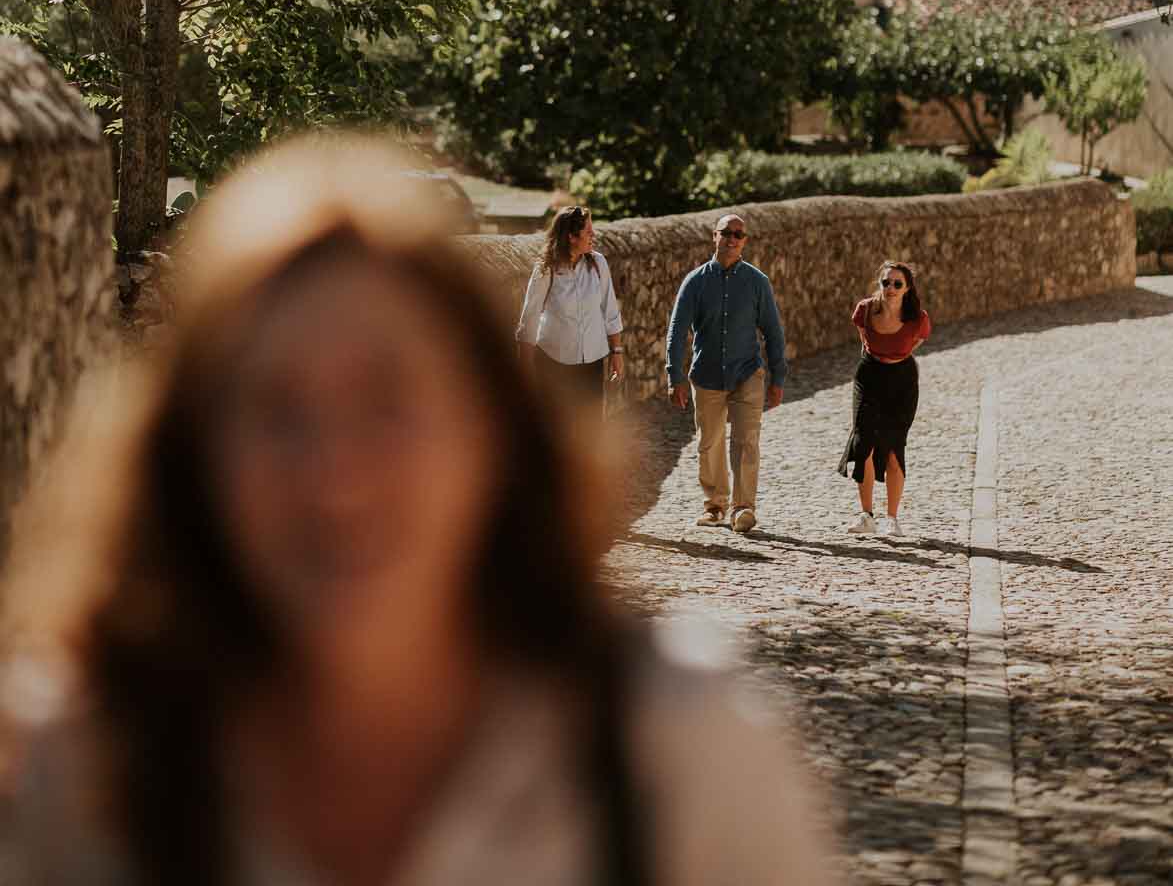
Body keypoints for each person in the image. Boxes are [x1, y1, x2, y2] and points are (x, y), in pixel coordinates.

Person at [0, 137, 839, 886]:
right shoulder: (68, 772)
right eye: (274, 410)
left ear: (490, 434)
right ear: (188, 453)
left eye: (389, 401)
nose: (336, 475)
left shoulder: (678, 751)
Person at [665, 212, 786, 536]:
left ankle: (744, 507)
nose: (732, 239)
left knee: (746, 440)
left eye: (738, 234)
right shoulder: (695, 282)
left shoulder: (757, 282)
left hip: (747, 372)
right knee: (710, 442)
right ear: (714, 237)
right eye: (726, 233)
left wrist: (778, 378)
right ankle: (715, 505)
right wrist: (674, 375)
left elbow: (773, 332)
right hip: (705, 375)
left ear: (744, 241)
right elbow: (677, 332)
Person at [838, 259, 932, 539]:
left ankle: (892, 518)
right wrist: (879, 360)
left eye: (897, 284)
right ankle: (866, 515)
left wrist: (895, 357)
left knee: (893, 447)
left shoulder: (917, 317)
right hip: (869, 376)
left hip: (901, 382)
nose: (890, 288)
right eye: (886, 282)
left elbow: (916, 342)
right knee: (862, 441)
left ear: (907, 288)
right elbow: (865, 341)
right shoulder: (865, 310)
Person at [516, 203, 623, 408]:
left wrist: (617, 351)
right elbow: (529, 317)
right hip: (554, 362)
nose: (594, 234)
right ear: (571, 237)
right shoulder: (546, 268)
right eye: (588, 231)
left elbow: (610, 310)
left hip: (592, 362)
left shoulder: (598, 264)